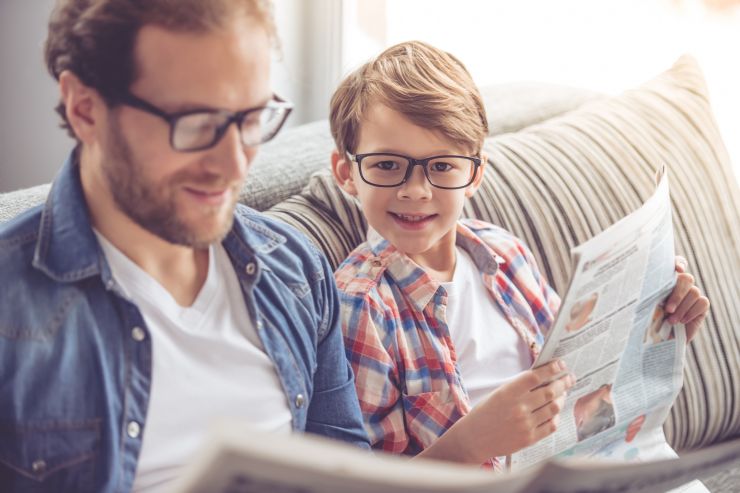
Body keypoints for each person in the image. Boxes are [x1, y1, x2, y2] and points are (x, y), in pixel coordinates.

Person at [0, 1, 369, 491]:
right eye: (196, 123)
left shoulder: (296, 270)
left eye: (251, 118)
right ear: (85, 109)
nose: (235, 165)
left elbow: (345, 471)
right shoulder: (11, 311)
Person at [329, 41, 710, 467]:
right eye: (386, 165)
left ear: (475, 174)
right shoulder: (359, 308)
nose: (416, 190)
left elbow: (577, 383)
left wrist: (659, 331)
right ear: (347, 174)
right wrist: (469, 444)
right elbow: (367, 483)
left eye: (441, 167)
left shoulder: (504, 253)